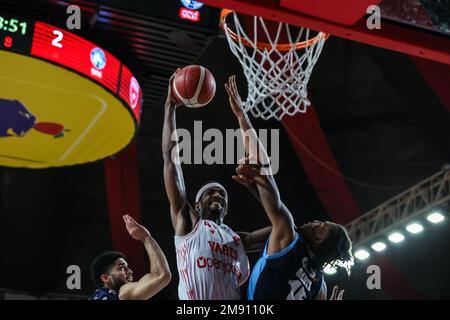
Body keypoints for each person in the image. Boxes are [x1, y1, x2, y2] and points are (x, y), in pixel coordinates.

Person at [225, 75, 353, 300]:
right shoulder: (319, 286)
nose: (316, 221)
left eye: (321, 225)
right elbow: (273, 205)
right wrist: (256, 185)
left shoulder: (289, 237)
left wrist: (241, 116)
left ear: (319, 241)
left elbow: (267, 176)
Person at [162, 70, 272, 300]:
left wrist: (242, 117)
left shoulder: (237, 239)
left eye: (222, 195)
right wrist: (169, 107)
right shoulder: (189, 222)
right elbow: (171, 160)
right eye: (210, 192)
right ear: (196, 203)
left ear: (227, 208)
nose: (218, 196)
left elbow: (282, 223)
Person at [89, 214, 171, 300]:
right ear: (106, 278)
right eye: (121, 268)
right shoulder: (121, 292)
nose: (130, 271)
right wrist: (146, 238)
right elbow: (161, 275)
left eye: (127, 267)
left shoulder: (95, 296)